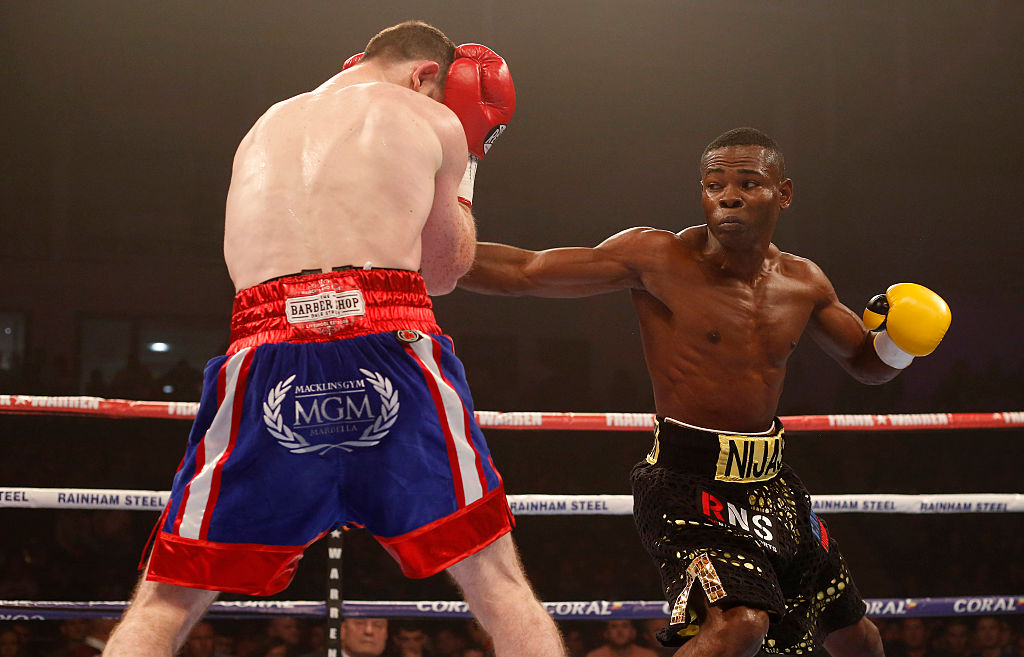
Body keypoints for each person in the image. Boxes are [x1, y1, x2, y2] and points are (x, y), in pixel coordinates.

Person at [102, 20, 563, 657]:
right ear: (424, 75)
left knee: (168, 598)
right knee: (496, 584)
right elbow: (445, 271)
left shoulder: (263, 126)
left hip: (265, 346)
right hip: (386, 334)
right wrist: (460, 179)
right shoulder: (431, 119)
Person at [459, 127, 952, 656]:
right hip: (686, 481)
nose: (728, 195)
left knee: (859, 637)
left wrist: (902, 342)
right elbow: (525, 270)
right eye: (714, 184)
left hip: (773, 483)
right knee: (739, 625)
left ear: (783, 194)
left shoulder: (804, 282)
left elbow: (866, 365)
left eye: (748, 183)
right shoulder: (657, 258)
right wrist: (418, 250)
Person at [583, 621, 658, 657]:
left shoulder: (648, 655)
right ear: (606, 633)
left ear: (633, 632)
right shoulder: (595, 656)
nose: (620, 631)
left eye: (625, 626)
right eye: (614, 626)